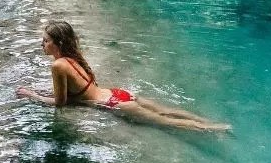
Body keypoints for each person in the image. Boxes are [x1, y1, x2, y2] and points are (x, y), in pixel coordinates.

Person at [16, 21, 232, 132]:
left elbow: (61, 103)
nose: (41, 44)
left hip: (115, 105)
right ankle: (210, 123)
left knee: (167, 123)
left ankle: (212, 129)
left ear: (58, 43)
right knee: (167, 111)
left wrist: (32, 95)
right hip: (118, 94)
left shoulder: (58, 65)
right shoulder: (74, 58)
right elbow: (80, 92)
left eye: (45, 40)